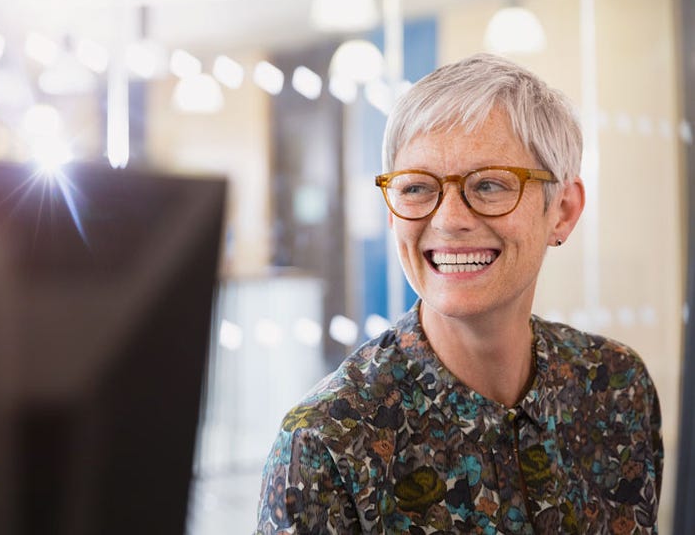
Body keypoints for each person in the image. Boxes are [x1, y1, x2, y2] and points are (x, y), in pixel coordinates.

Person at [255, 53, 662, 534]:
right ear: (392, 212)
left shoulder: (616, 386)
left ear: (564, 210)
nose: (448, 220)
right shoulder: (327, 442)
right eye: (416, 189)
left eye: (489, 185)